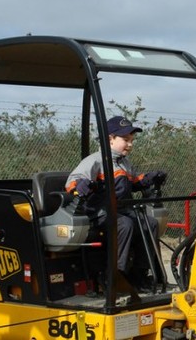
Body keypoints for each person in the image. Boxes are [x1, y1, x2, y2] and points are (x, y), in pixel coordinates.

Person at [65, 116, 167, 291]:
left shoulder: (123, 162)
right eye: (125, 140)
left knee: (149, 224)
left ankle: (139, 274)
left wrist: (148, 178)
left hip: (121, 210)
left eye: (132, 140)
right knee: (125, 225)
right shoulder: (95, 161)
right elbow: (72, 183)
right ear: (110, 139)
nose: (130, 144)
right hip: (99, 212)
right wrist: (80, 185)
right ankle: (114, 274)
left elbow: (134, 182)